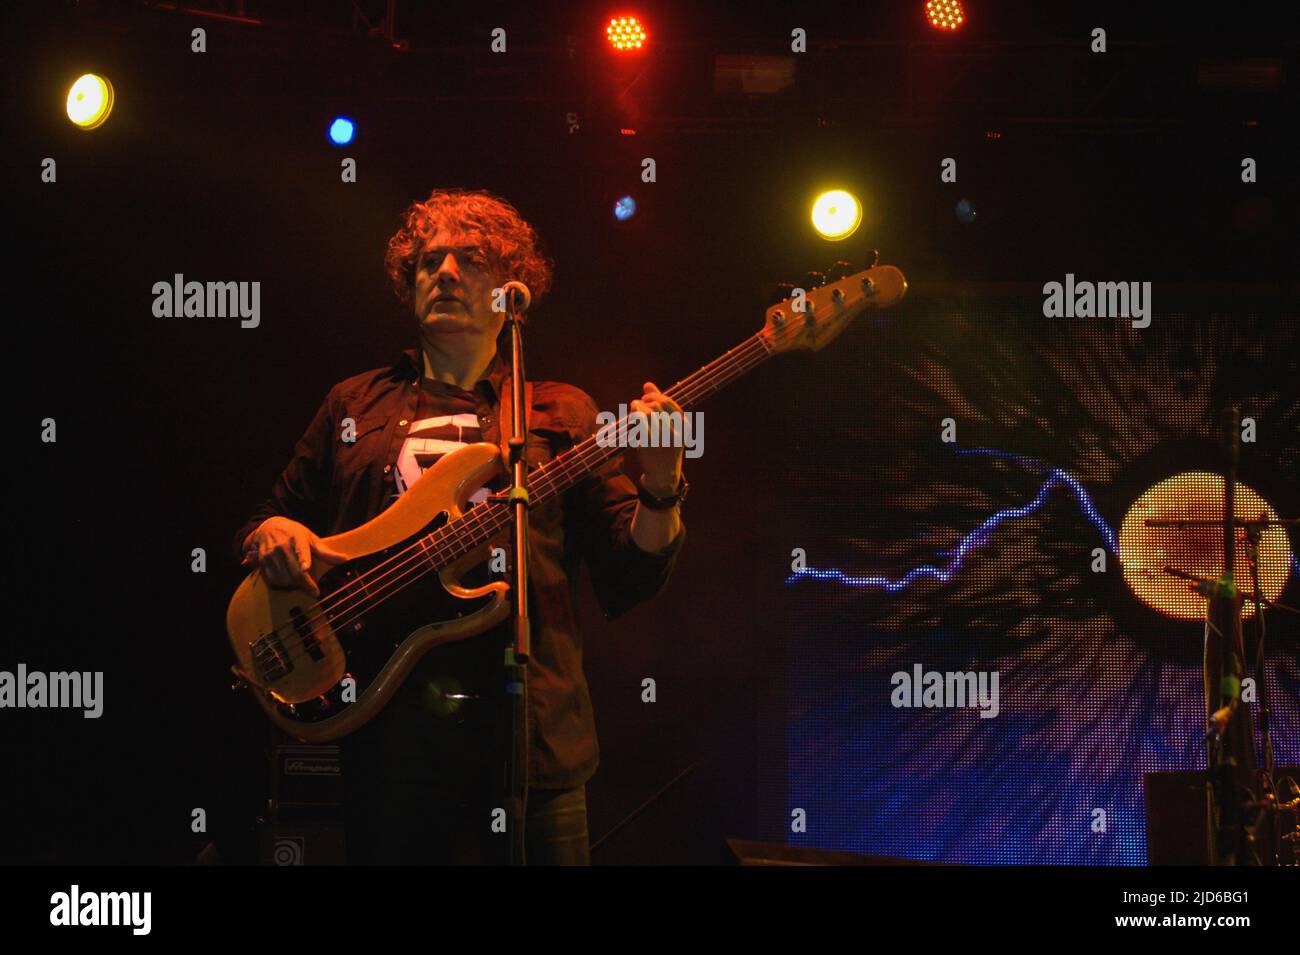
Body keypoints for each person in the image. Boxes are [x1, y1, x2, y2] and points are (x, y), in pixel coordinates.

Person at [232, 187, 687, 864]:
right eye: (427, 261)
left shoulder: (560, 411)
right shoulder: (354, 402)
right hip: (388, 742)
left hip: (530, 741)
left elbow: (630, 571)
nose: (442, 272)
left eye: (467, 259)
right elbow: (272, 517)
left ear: (512, 288)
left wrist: (662, 481)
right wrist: (274, 534)